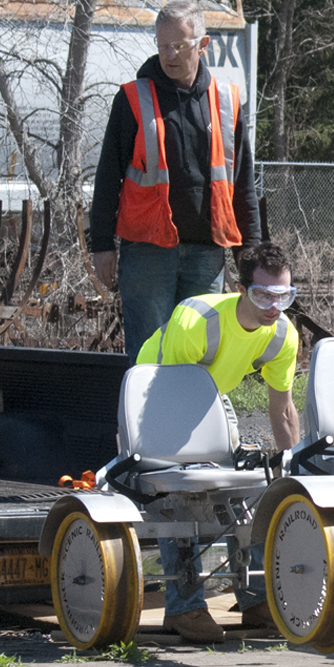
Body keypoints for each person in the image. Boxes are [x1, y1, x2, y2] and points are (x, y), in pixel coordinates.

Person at [137, 241, 300, 644]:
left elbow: (282, 411)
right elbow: (172, 399)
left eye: (284, 296)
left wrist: (291, 472)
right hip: (154, 394)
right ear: (239, 289)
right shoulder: (196, 321)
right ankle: (184, 607)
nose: (273, 306)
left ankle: (257, 601)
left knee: (251, 491)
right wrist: (193, 469)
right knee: (180, 495)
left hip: (209, 393)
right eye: (263, 294)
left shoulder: (282, 335)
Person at [90, 0, 262, 364]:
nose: (169, 55)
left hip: (206, 252)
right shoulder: (133, 99)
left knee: (200, 356)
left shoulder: (227, 102)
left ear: (203, 44)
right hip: (147, 252)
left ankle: (194, 424)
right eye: (162, 45)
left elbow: (242, 184)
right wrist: (101, 244)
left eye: (179, 45)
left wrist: (251, 252)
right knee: (148, 356)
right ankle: (146, 423)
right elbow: (107, 177)